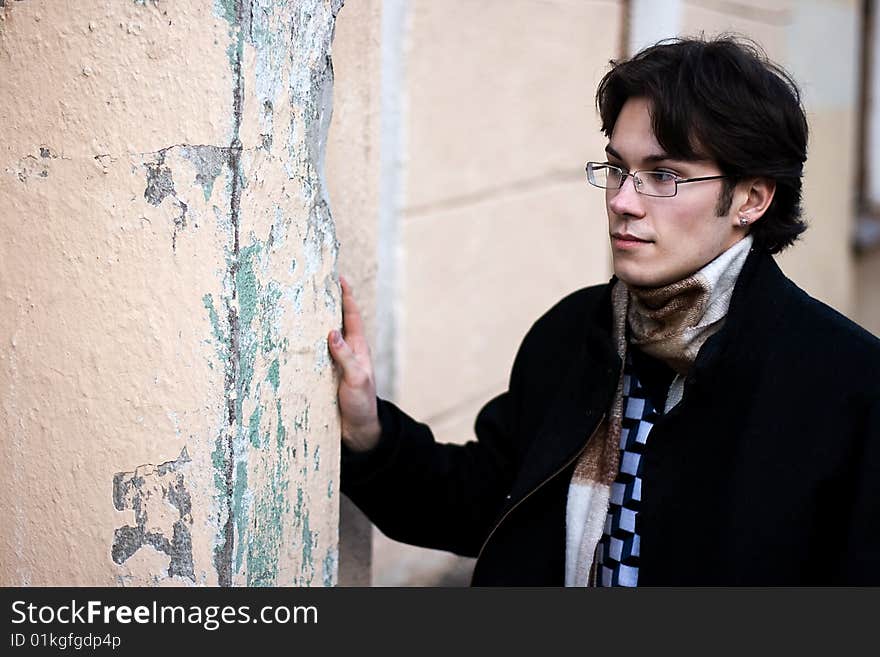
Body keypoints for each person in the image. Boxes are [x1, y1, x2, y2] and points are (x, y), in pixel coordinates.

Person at [327, 36, 880, 586]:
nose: (622, 200)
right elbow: (483, 503)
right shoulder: (574, 334)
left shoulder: (845, 383)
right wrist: (368, 430)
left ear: (751, 199)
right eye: (617, 168)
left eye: (663, 176)